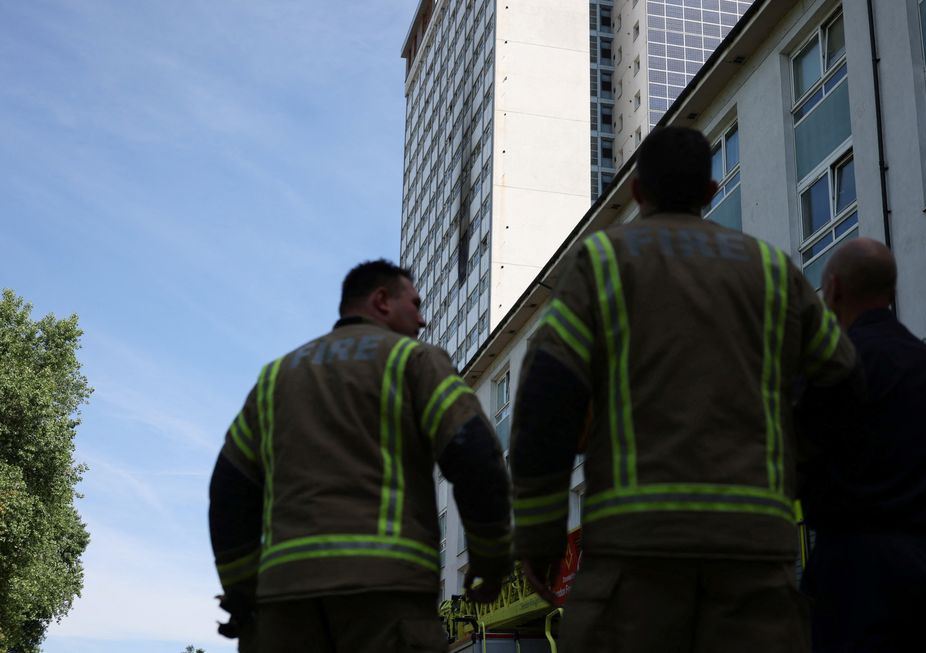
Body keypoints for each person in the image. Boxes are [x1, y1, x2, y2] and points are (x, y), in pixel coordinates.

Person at [509, 126, 859, 653]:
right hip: (754, 555)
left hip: (636, 555)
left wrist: (539, 538)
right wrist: (798, 468)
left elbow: (546, 403)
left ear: (637, 192)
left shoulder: (603, 261)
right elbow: (843, 381)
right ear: (711, 192)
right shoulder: (770, 269)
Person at [208, 259, 512, 653]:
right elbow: (476, 458)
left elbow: (229, 491)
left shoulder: (275, 379)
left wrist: (240, 590)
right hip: (384, 598)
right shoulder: (415, 361)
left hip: (283, 608)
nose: (422, 321)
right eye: (415, 305)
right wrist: (490, 561)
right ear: (382, 300)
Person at [799, 237, 926, 652]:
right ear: (890, 292)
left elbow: (801, 459)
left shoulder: (831, 369)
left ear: (834, 290)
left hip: (855, 575)